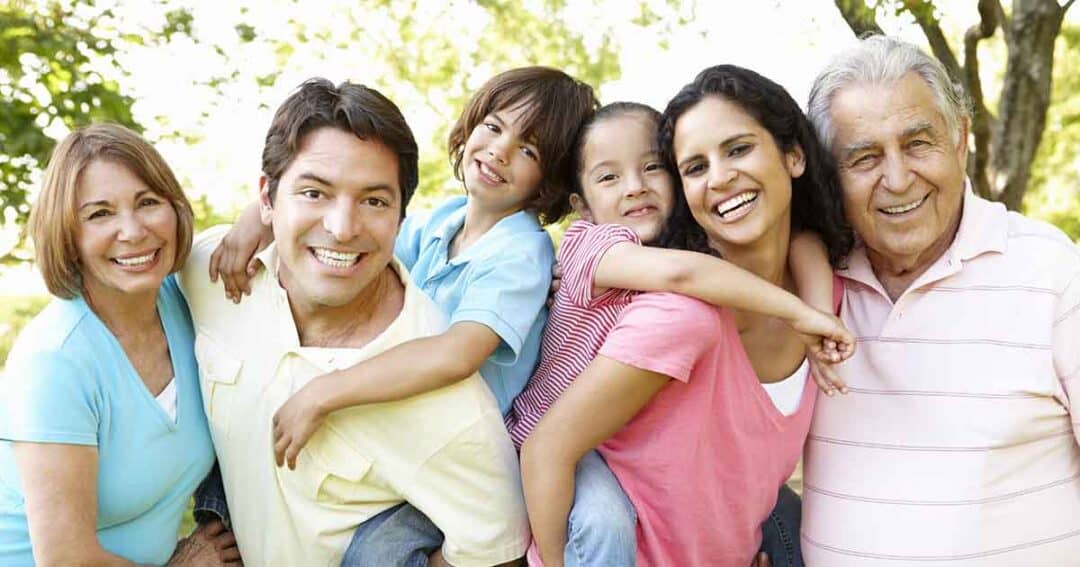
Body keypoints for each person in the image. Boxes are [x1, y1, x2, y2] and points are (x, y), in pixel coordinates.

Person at [177, 78, 529, 565]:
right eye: (315, 192)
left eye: (374, 201)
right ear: (266, 196)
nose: (342, 229)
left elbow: (498, 549)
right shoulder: (213, 273)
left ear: (401, 216)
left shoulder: (450, 410)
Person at [521, 64, 855, 566]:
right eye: (696, 167)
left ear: (794, 155)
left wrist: (808, 310)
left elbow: (805, 241)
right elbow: (547, 450)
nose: (720, 177)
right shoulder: (679, 314)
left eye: (738, 149)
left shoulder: (825, 290)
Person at [800, 35, 1080, 565]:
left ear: (960, 141)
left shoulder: (1052, 273)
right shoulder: (811, 290)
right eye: (863, 158)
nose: (898, 179)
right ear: (829, 177)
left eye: (917, 144)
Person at [0, 124, 237, 565]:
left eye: (147, 203)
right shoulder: (55, 363)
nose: (132, 231)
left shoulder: (185, 304)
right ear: (68, 235)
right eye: (99, 214)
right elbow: (66, 560)